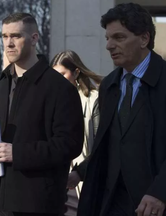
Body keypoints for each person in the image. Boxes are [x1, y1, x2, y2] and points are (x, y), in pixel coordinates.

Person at [77, 3, 166, 216]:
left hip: (157, 205)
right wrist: (79, 173)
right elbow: (107, 143)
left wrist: (161, 193)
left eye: (119, 37)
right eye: (107, 38)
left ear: (144, 39)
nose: (109, 46)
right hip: (112, 203)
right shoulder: (109, 85)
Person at [0, 12, 84, 216]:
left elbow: (70, 144)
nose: (8, 43)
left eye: (15, 36)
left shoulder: (59, 88)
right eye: (4, 36)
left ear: (34, 38)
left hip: (36, 204)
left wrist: (17, 153)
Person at [51, 50, 102, 215]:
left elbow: (99, 146)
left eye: (62, 74)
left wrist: (80, 173)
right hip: (59, 181)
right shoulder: (52, 102)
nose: (57, 80)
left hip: (82, 181)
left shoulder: (93, 100)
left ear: (76, 72)